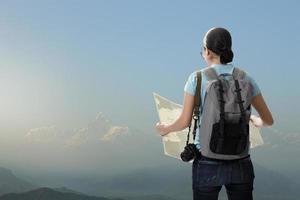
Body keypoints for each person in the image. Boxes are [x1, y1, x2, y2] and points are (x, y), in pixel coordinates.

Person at [155, 27, 274, 200]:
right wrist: (254, 119)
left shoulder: (197, 78)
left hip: (207, 161)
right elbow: (268, 120)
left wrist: (164, 129)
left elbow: (184, 122)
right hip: (241, 161)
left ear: (207, 51)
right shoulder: (247, 78)